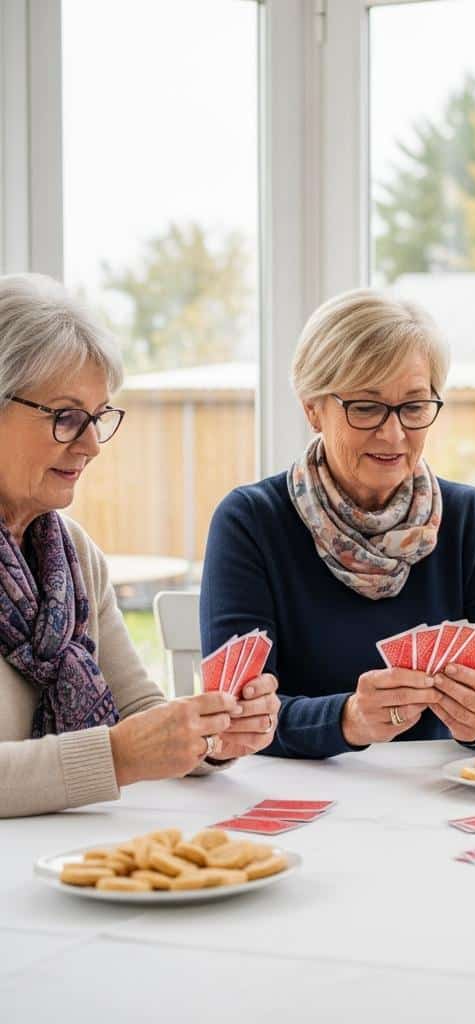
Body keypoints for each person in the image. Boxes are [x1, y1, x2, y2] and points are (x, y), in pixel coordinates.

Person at [200, 289, 475, 758]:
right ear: (312, 408)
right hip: (299, 797)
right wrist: (348, 720)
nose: (393, 433)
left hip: (438, 798)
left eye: (414, 406)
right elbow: (237, 713)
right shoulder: (251, 521)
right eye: (366, 406)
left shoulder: (470, 519)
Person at [0, 274, 279, 818]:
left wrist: (213, 733)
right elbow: (124, 747)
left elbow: (139, 713)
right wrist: (117, 757)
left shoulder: (71, 556)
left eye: (98, 418)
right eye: (65, 417)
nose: (91, 445)